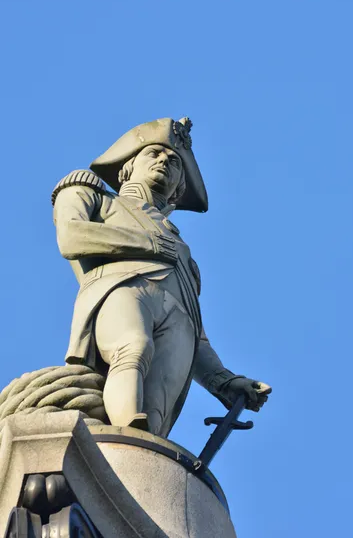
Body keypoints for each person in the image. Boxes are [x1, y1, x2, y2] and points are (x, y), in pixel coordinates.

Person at [52, 117, 271, 437]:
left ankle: (143, 446)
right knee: (133, 347)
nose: (164, 161)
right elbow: (71, 237)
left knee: (160, 399)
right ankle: (127, 428)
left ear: (178, 189)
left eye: (174, 162)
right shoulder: (95, 195)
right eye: (153, 153)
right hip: (123, 285)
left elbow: (198, 337)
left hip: (177, 318)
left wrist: (223, 380)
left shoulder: (184, 255)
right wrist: (150, 244)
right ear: (127, 167)